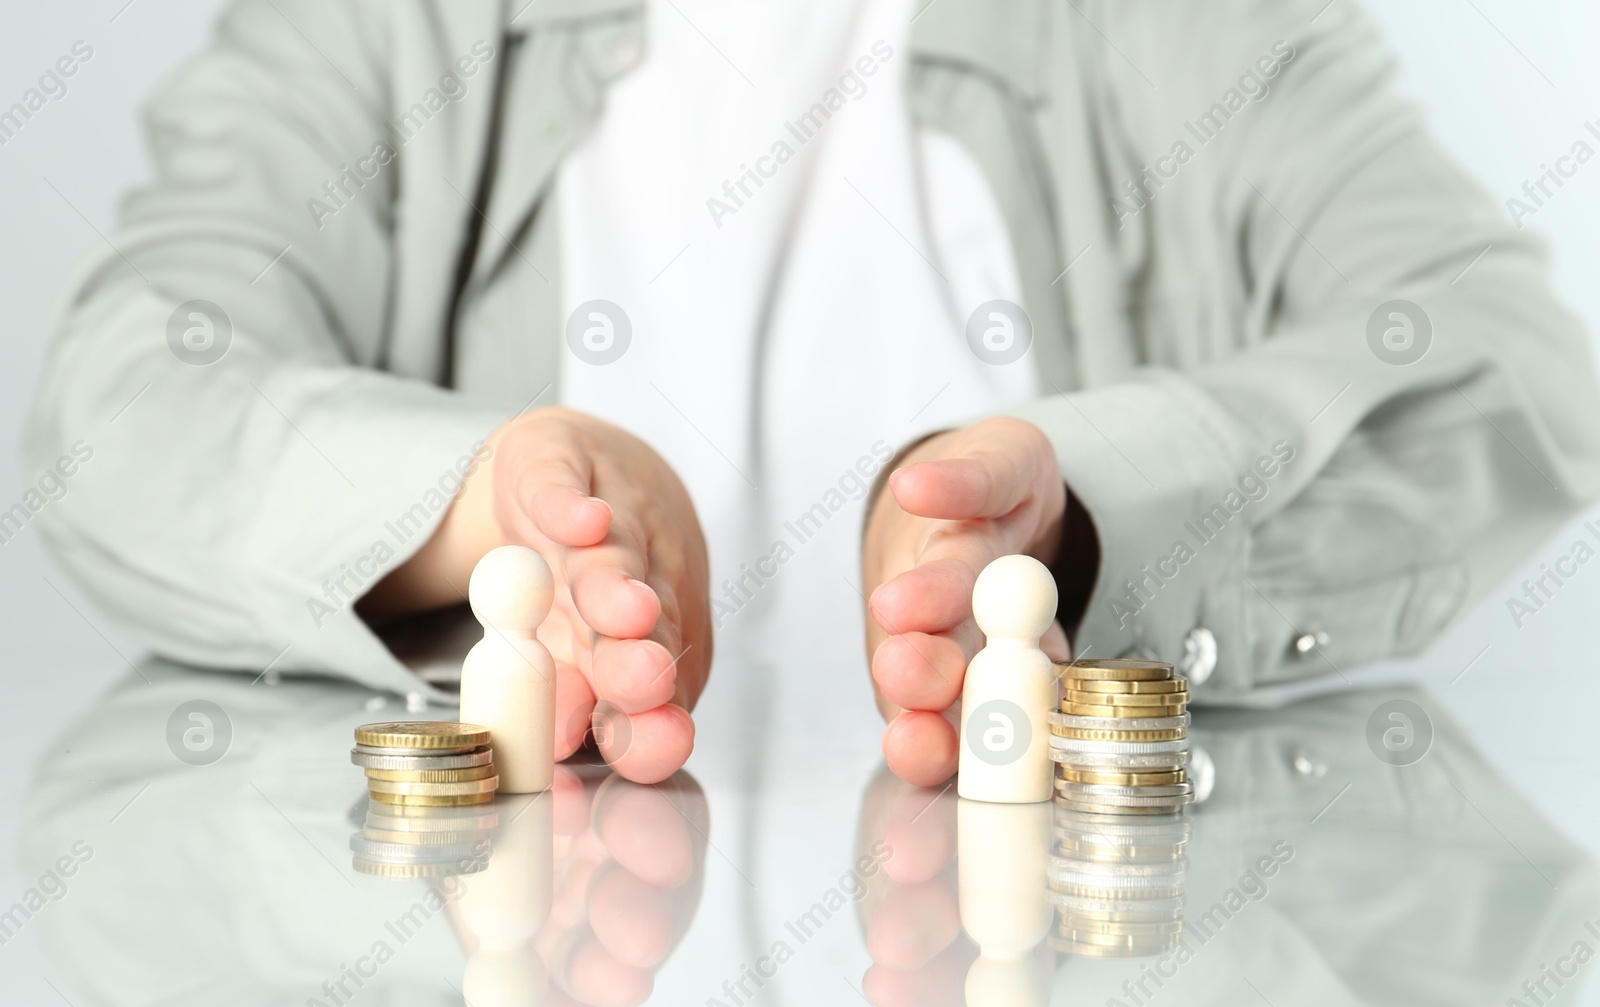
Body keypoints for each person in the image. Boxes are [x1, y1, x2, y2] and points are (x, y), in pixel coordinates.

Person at [25, 0, 1600, 787]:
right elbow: (122, 390)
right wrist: (469, 514)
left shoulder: (1174, 28)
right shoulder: (382, 31)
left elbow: (1502, 360)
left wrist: (1089, 514)